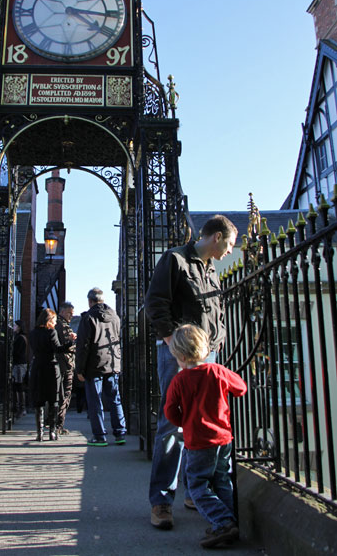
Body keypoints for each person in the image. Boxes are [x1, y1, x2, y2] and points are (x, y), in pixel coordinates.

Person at [144, 214, 238, 529]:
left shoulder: (211, 269)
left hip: (209, 353)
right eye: (230, 244)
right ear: (217, 237)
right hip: (179, 353)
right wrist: (173, 342)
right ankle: (161, 502)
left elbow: (217, 312)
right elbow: (156, 302)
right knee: (172, 424)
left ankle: (194, 492)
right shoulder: (175, 259)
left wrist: (219, 343)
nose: (229, 251)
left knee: (201, 422)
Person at [164, 324, 247, 548]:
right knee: (222, 480)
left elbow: (170, 411)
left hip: (198, 441)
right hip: (223, 438)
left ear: (180, 356)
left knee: (198, 486)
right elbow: (241, 388)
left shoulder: (179, 380)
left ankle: (223, 522)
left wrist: (185, 423)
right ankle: (231, 521)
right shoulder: (218, 371)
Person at [75, 287, 127, 447]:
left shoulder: (88, 317)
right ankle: (120, 433)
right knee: (115, 399)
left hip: (94, 364)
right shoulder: (115, 317)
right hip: (112, 362)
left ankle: (99, 436)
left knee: (95, 401)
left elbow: (83, 345)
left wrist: (80, 369)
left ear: (90, 301)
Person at [29, 308, 75, 442]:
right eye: (54, 320)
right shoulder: (51, 332)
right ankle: (52, 432)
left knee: (39, 401)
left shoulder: (33, 334)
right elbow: (58, 349)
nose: (55, 323)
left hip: (38, 367)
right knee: (53, 400)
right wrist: (71, 342)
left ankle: (39, 433)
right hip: (51, 367)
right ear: (49, 320)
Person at [55, 302, 76, 435]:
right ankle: (58, 424)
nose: (71, 316)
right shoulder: (62, 325)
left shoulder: (56, 324)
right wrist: (74, 341)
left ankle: (54, 423)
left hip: (59, 364)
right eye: (69, 313)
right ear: (62, 312)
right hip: (65, 364)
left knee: (58, 394)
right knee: (64, 395)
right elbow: (67, 346)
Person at [12, 320, 28, 416]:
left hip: (19, 364)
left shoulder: (21, 338)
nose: (14, 327)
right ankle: (19, 406)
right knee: (17, 385)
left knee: (19, 385)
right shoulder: (19, 337)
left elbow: (17, 352)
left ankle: (21, 407)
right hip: (19, 363)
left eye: (15, 326)